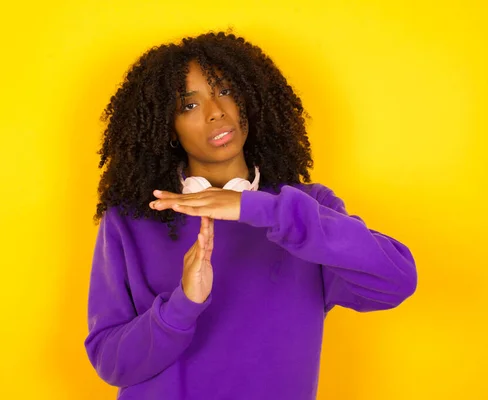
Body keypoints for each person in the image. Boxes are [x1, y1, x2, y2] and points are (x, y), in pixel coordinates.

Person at [84, 31, 417, 399]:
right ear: (168, 128)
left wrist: (256, 208)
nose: (216, 112)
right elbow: (111, 363)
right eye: (189, 106)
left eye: (225, 90)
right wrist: (182, 306)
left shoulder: (305, 213)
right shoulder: (132, 221)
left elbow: (395, 281)